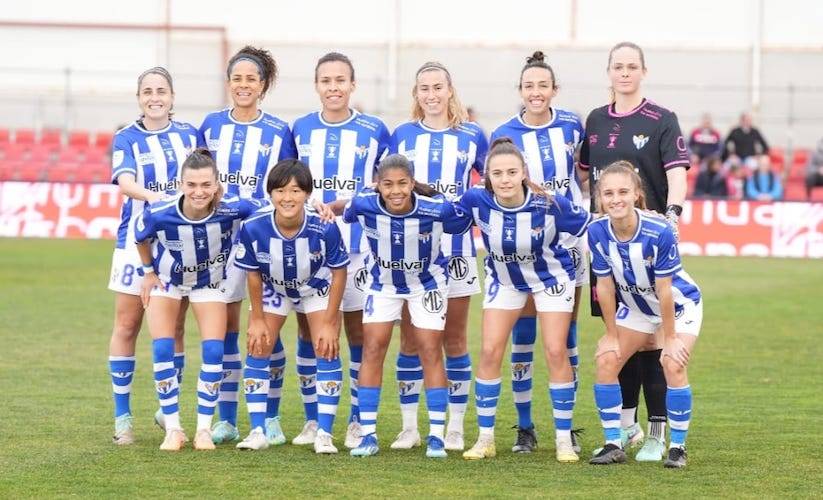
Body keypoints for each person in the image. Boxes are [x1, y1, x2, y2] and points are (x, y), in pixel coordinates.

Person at [579, 41, 691, 461]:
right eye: (617, 67)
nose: (624, 73)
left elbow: (675, 172)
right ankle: (626, 428)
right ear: (608, 72)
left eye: (632, 66)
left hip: (648, 244)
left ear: (643, 71)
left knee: (654, 338)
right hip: (608, 243)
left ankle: (659, 431)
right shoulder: (594, 119)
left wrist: (673, 215)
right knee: (618, 333)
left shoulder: (662, 119)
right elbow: (586, 174)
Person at [458, 138, 591, 462]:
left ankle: (562, 439)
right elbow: (443, 216)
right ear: (487, 176)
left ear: (523, 173)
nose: (504, 179)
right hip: (505, 281)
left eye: (511, 172)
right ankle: (485, 439)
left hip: (551, 279)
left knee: (556, 350)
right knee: (489, 351)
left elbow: (592, 226)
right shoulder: (477, 200)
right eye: (497, 173)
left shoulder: (549, 203)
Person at [339, 154, 472, 458]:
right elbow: (344, 211)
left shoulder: (436, 208)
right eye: (387, 184)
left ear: (412, 183)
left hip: (427, 284)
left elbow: (463, 219)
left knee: (429, 349)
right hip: (382, 285)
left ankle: (436, 436)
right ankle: (368, 435)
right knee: (373, 349)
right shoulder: (364, 203)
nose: (395, 191)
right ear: (377, 185)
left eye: (402, 183)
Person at [199, 45, 298, 445]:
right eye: (237, 78)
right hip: (218, 244)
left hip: (263, 243)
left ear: (263, 85)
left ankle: (270, 418)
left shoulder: (279, 131)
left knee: (265, 332)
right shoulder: (209, 125)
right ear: (228, 83)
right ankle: (226, 419)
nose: (243, 85)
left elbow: (287, 185)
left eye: (251, 79)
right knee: (225, 331)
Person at [134, 148, 264, 451]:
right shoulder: (159, 211)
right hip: (168, 282)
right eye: (192, 185)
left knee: (215, 350)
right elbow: (140, 237)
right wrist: (148, 272)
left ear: (217, 185)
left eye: (206, 185)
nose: (199, 191)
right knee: (163, 346)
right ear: (180, 184)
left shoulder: (232, 207)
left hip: (209, 283)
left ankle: (204, 429)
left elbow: (270, 208)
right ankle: (174, 428)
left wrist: (317, 208)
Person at [292, 52, 391, 449]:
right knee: (308, 332)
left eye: (340, 80)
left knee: (356, 334)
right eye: (326, 80)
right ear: (316, 85)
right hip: (308, 249)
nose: (333, 87)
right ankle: (314, 419)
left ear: (353, 84)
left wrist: (347, 203)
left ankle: (354, 419)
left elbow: (386, 185)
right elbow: (289, 183)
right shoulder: (299, 129)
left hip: (359, 248)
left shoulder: (375, 130)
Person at [388, 61, 488, 451]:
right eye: (423, 88)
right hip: (411, 254)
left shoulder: (473, 136)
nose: (431, 94)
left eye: (437, 87)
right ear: (416, 95)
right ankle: (410, 427)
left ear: (450, 91)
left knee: (455, 340)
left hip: (458, 251)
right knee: (411, 340)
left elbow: (494, 181)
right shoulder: (401, 136)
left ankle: (456, 426)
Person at [490, 51, 586, 454]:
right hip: (525, 243)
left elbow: (585, 173)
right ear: (520, 91)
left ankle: (568, 425)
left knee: (565, 335)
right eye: (529, 86)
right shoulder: (505, 134)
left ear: (554, 90)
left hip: (569, 240)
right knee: (524, 336)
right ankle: (525, 427)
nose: (536, 92)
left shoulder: (571, 125)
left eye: (542, 85)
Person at [587, 161, 702, 469]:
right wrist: (611, 335)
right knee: (606, 360)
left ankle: (677, 447)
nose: (616, 199)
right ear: (600, 198)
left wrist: (671, 337)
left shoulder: (659, 230)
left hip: (678, 305)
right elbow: (605, 287)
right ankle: (613, 442)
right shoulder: (596, 231)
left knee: (671, 362)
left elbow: (665, 291)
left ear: (637, 194)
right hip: (637, 306)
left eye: (623, 191)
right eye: (608, 193)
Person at [233, 159, 349, 453]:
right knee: (258, 345)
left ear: (308, 194)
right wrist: (257, 317)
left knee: (326, 347)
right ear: (270, 193)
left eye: (296, 191)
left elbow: (339, 272)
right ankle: (258, 430)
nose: (288, 198)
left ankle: (323, 433)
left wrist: (329, 321)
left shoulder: (324, 226)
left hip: (315, 287)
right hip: (276, 287)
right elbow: (253, 273)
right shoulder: (253, 227)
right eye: (281, 190)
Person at [108, 67, 197, 445]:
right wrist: (155, 198)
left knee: (175, 327)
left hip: (179, 243)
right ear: (139, 97)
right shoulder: (126, 138)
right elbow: (125, 182)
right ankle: (122, 417)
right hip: (135, 243)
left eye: (161, 90)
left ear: (172, 97)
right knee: (128, 325)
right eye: (147, 91)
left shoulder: (190, 135)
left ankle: (167, 409)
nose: (154, 96)